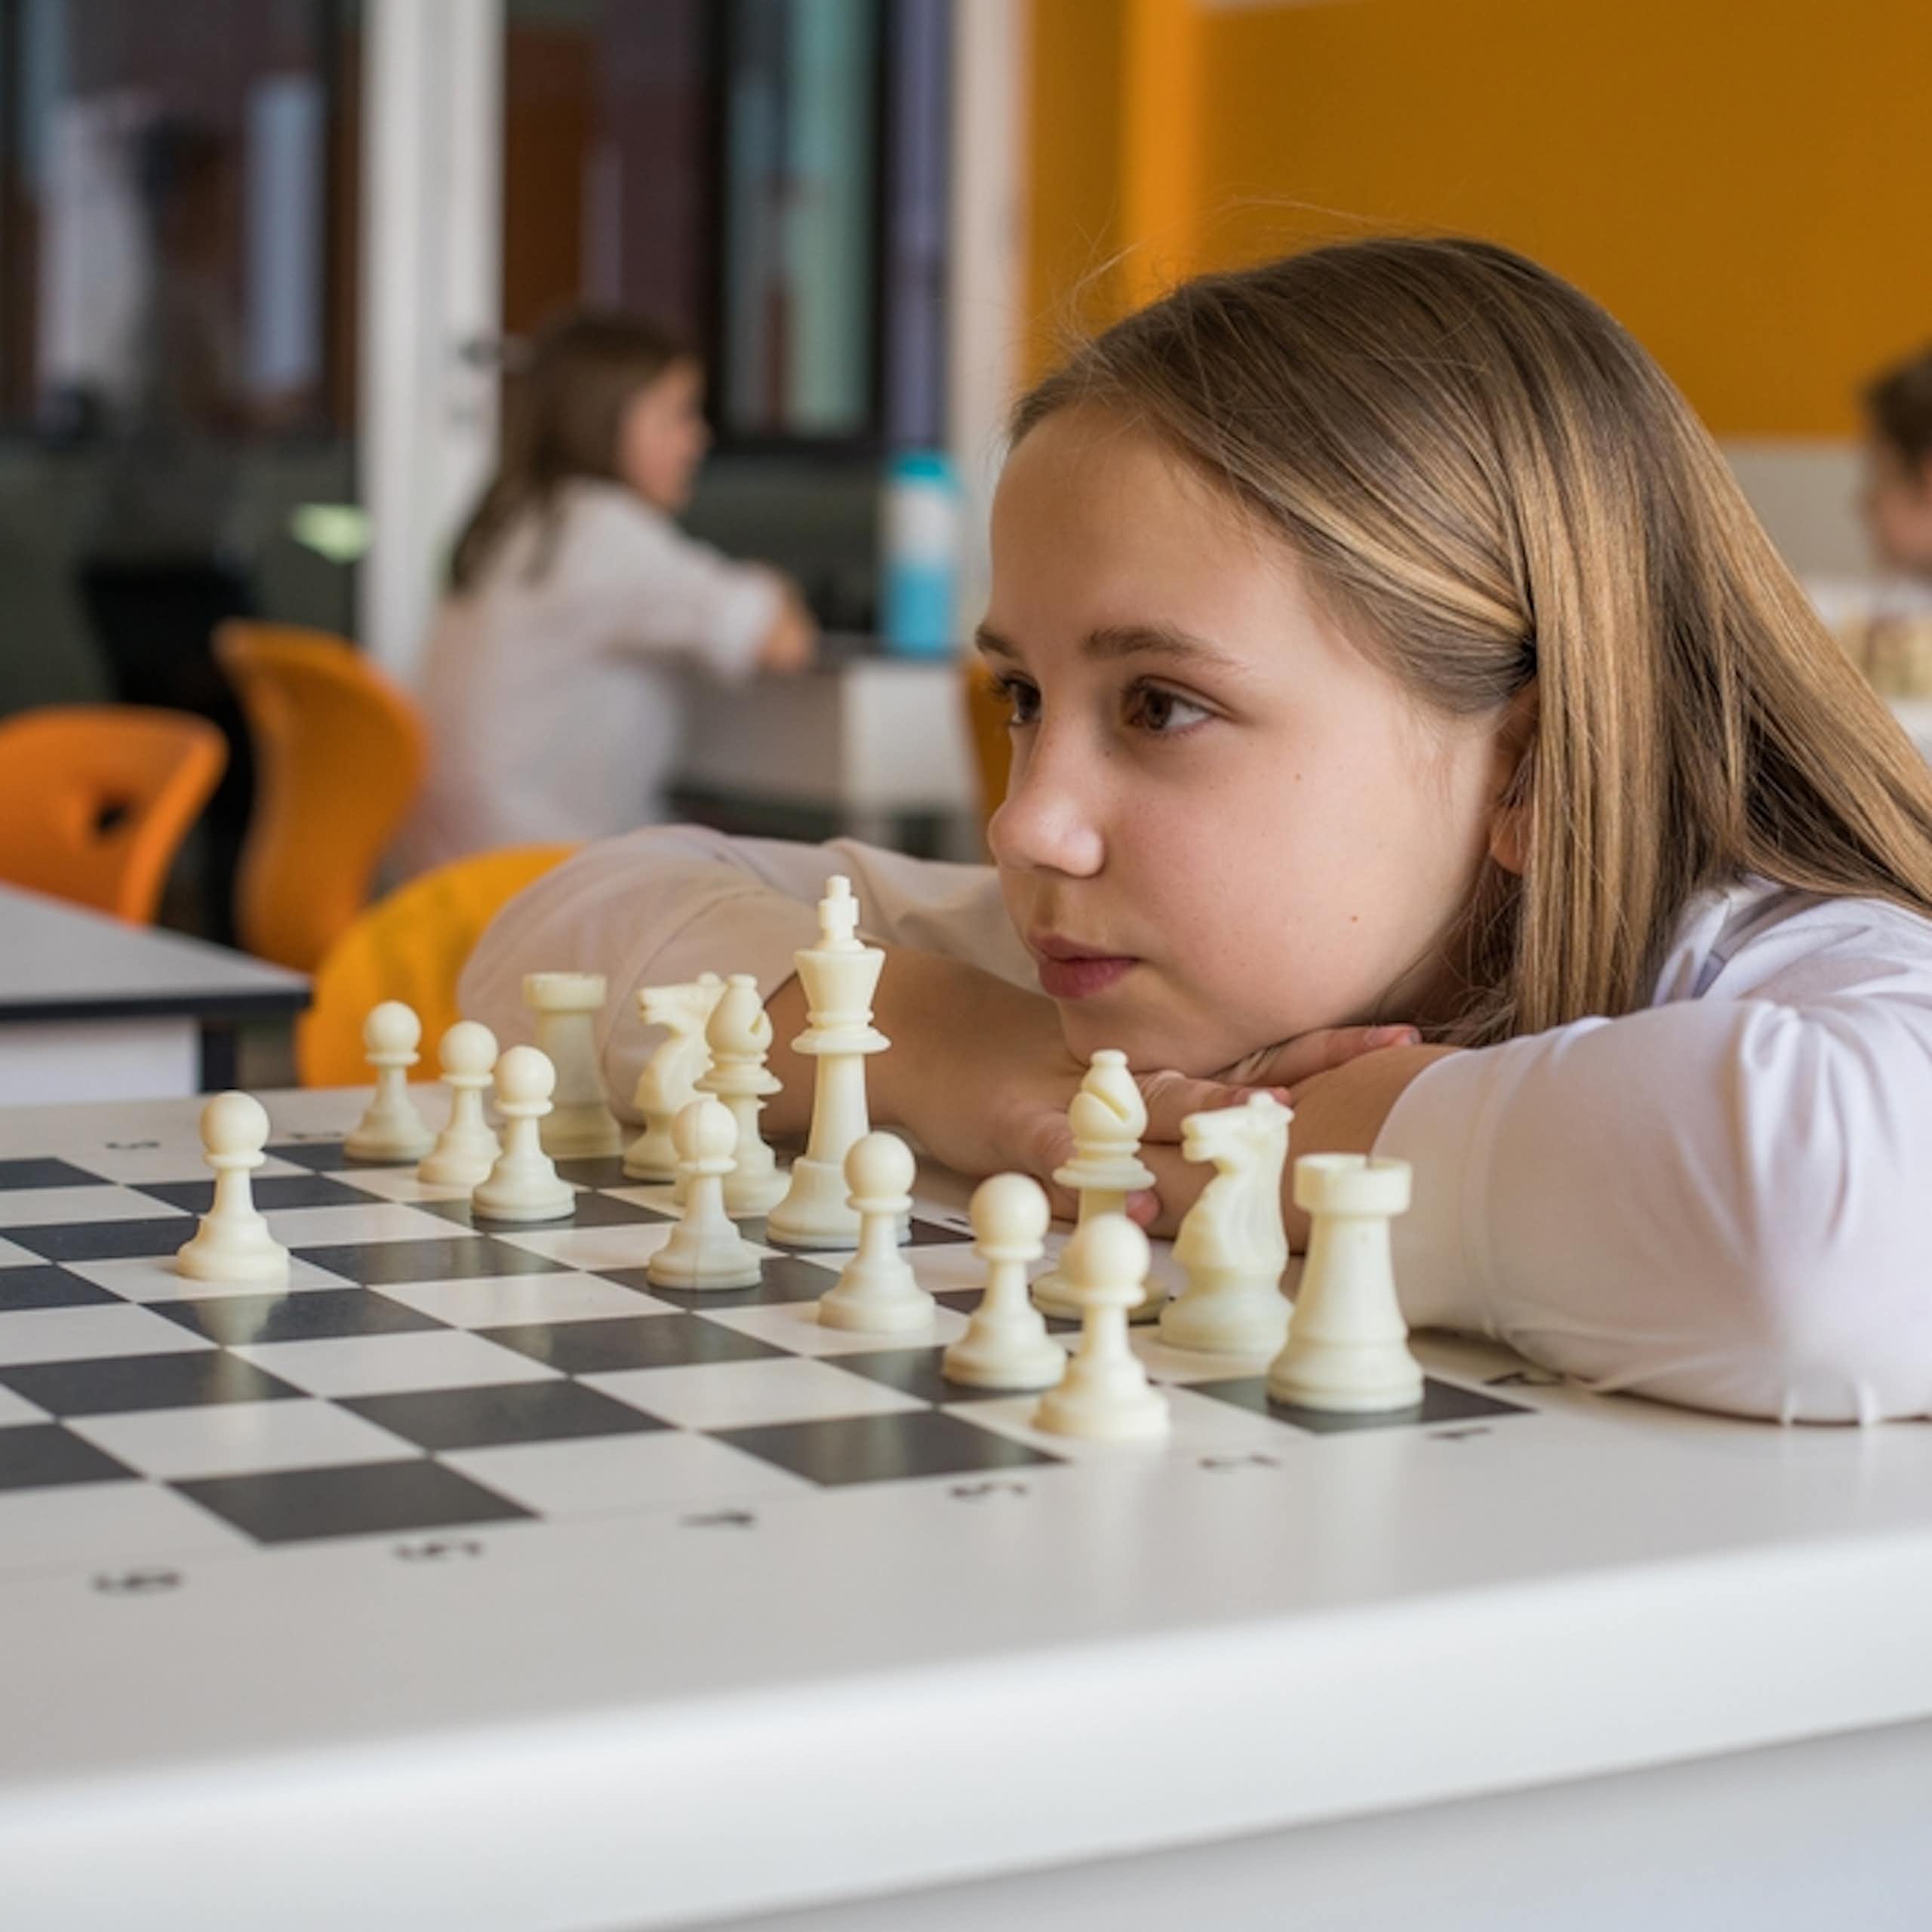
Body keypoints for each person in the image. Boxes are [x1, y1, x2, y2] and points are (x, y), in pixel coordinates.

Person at [460, 237, 1932, 1426]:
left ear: (1526, 769)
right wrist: (943, 1041)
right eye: (1027, 693)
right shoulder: (1119, 1003)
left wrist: (1290, 1145)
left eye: (1160, 705)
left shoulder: (1766, 973)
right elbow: (553, 943)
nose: (1027, 816)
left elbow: (1832, 1243)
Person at [394, 311, 817, 874]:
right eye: (678, 415)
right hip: (535, 878)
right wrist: (776, 582)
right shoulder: (603, 533)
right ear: (606, 418)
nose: (698, 438)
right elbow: (783, 640)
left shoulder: (514, 523)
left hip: (449, 876)